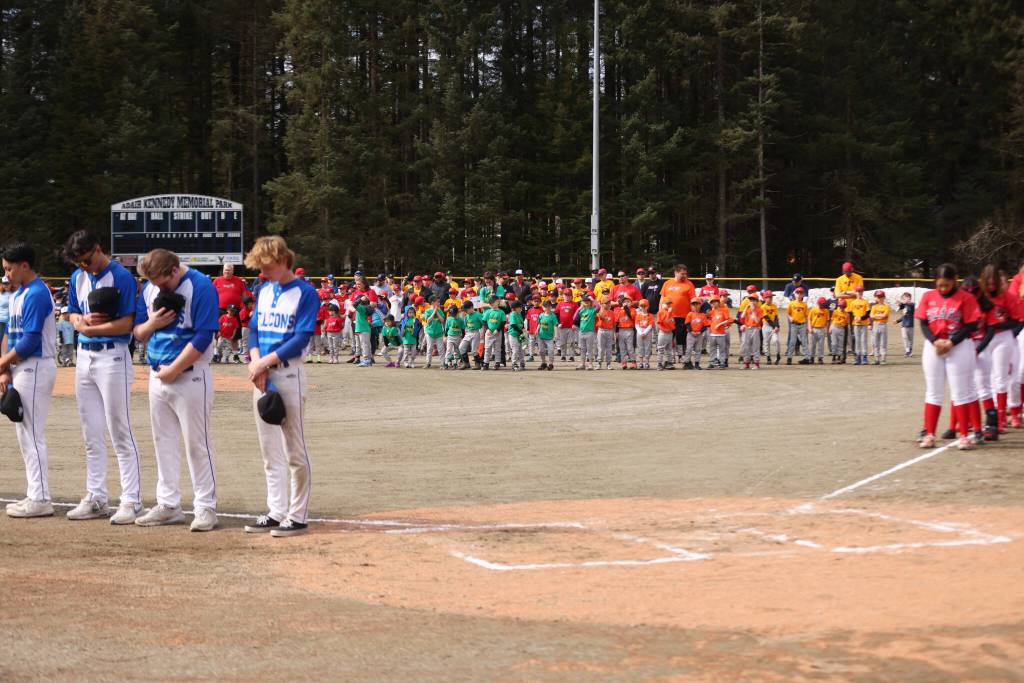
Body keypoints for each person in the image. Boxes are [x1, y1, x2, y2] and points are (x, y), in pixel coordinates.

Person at [130, 249, 219, 532]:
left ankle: (205, 507)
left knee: (197, 443)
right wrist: (153, 323)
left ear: (174, 270)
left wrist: (175, 369)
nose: (157, 287)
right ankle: (168, 505)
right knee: (162, 441)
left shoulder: (201, 286)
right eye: (152, 282)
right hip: (158, 374)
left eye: (161, 281)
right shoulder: (150, 290)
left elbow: (205, 335)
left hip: (190, 375)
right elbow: (139, 333)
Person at [62, 231, 144, 525]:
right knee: (91, 432)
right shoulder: (77, 277)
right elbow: (71, 311)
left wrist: (92, 329)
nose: (84, 267)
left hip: (114, 355)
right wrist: (79, 321)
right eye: (79, 263)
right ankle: (96, 496)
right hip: (85, 357)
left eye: (86, 260)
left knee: (119, 429)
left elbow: (128, 323)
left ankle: (132, 500)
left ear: (98, 249)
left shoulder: (120, 276)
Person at [242, 236, 317, 537]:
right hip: (263, 376)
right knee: (268, 449)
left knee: (293, 449)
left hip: (288, 374)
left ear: (285, 261)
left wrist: (264, 363)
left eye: (269, 267)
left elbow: (300, 338)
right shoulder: (264, 289)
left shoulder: (305, 292)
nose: (264, 273)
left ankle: (297, 515)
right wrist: (256, 362)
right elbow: (253, 329)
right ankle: (276, 510)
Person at [0, 243, 58, 519]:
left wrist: (3, 363)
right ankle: (35, 493)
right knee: (24, 432)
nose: (7, 275)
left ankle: (41, 498)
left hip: (36, 366)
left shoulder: (36, 293)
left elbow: (31, 340)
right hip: (22, 368)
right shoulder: (19, 293)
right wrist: (4, 369)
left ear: (25, 265)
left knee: (32, 434)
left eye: (10, 269)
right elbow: (10, 335)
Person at [916, 264, 982, 450]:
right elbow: (923, 323)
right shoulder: (928, 297)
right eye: (940, 285)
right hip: (934, 346)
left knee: (960, 391)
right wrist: (935, 341)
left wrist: (951, 343)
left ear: (955, 280)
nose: (943, 288)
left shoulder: (966, 297)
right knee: (933, 391)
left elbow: (971, 325)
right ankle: (929, 434)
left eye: (947, 284)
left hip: (959, 346)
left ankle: (963, 436)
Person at [978, 264, 1019, 433]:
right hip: (983, 338)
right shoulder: (979, 297)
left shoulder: (1007, 297)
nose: (991, 286)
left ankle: (1000, 419)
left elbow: (1018, 320)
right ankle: (991, 416)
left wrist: (1001, 323)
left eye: (994, 282)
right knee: (983, 379)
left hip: (1003, 337)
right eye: (988, 283)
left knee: (1000, 378)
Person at [659, 265, 696, 362]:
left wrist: (693, 314)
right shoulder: (667, 283)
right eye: (682, 274)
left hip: (683, 315)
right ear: (676, 272)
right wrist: (660, 311)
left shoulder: (689, 284)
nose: (684, 276)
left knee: (681, 337)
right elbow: (662, 298)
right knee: (669, 337)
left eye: (685, 274)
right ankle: (671, 357)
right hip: (669, 316)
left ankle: (681, 355)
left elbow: (693, 300)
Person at [737, 290, 764, 369]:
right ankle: (746, 363)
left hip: (755, 328)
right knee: (746, 346)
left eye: (754, 300)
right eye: (751, 300)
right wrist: (746, 307)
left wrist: (753, 311)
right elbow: (742, 317)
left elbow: (757, 321)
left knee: (755, 346)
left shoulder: (760, 310)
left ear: (757, 301)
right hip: (747, 328)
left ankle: (756, 364)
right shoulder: (748, 309)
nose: (752, 302)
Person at [848, 286, 871, 365]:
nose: (859, 293)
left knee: (863, 340)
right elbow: (850, 314)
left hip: (864, 324)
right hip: (856, 324)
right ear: (855, 292)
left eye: (861, 292)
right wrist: (855, 318)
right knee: (857, 341)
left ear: (863, 292)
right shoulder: (853, 302)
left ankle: (864, 357)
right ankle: (858, 357)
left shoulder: (865, 302)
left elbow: (868, 314)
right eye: (858, 292)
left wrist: (861, 318)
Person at [574, 295, 598, 370]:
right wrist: (579, 308)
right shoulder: (581, 310)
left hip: (590, 332)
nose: (586, 303)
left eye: (588, 301)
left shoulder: (592, 310)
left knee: (590, 348)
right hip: (582, 332)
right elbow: (574, 318)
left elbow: (599, 307)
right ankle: (582, 364)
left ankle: (590, 364)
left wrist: (593, 300)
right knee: (582, 349)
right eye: (585, 301)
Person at [786, 287, 809, 365]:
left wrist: (807, 326)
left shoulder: (804, 305)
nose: (799, 295)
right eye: (797, 293)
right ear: (794, 294)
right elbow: (788, 314)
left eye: (801, 293)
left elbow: (806, 316)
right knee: (792, 341)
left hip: (802, 325)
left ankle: (807, 358)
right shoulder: (791, 303)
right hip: (794, 325)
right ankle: (789, 357)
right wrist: (790, 318)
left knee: (804, 341)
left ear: (803, 295)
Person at [707, 297, 732, 369]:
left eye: (715, 302)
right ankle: (712, 362)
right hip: (712, 333)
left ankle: (722, 362)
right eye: (712, 302)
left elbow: (729, 320)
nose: (714, 304)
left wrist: (720, 324)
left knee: (722, 349)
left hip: (721, 334)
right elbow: (705, 317)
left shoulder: (722, 311)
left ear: (718, 302)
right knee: (712, 349)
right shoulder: (711, 312)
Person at [555, 289, 579, 363]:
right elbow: (556, 314)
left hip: (571, 327)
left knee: (571, 342)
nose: (567, 297)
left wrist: (575, 324)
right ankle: (563, 355)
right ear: (563, 296)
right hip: (562, 326)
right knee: (563, 342)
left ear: (571, 296)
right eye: (565, 295)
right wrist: (558, 323)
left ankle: (571, 356)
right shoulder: (560, 304)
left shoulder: (574, 304)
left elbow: (578, 315)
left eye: (569, 295)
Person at [422, 298, 445, 369]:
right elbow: (428, 321)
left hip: (439, 332)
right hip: (430, 332)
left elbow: (442, 320)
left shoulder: (440, 310)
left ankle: (443, 363)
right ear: (432, 302)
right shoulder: (428, 311)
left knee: (441, 349)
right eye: (437, 302)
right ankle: (428, 363)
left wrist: (437, 312)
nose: (438, 303)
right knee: (429, 348)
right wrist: (433, 312)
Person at [535, 300, 557, 371]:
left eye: (548, 306)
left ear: (551, 307)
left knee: (551, 350)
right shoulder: (541, 315)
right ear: (543, 307)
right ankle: (543, 363)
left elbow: (555, 326)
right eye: (545, 307)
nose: (547, 308)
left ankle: (551, 364)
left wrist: (556, 335)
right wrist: (537, 330)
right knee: (541, 351)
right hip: (541, 336)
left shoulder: (553, 316)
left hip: (549, 337)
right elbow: (539, 323)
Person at [869, 290, 891, 365]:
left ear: (884, 297)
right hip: (875, 325)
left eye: (881, 297)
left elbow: (884, 316)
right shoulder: (874, 306)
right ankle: (876, 359)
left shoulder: (886, 306)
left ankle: (883, 358)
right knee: (875, 342)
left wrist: (876, 316)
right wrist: (879, 316)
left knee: (883, 342)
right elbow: (871, 316)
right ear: (876, 298)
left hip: (883, 325)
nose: (880, 298)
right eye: (878, 297)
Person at [760, 290, 781, 365]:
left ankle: (778, 355)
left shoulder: (774, 306)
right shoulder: (762, 307)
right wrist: (774, 326)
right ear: (765, 298)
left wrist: (777, 326)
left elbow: (776, 317)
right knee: (766, 343)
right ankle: (768, 358)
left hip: (774, 326)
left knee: (776, 340)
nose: (771, 298)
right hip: (766, 326)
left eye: (771, 297)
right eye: (769, 297)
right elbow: (767, 318)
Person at [595, 299, 616, 370]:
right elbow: (599, 316)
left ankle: (608, 363)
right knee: (601, 348)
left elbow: (613, 324)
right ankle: (599, 363)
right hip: (601, 330)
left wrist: (614, 333)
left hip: (609, 331)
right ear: (603, 304)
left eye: (609, 303)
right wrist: (601, 308)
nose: (608, 304)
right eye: (606, 303)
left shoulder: (612, 313)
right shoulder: (600, 312)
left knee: (609, 348)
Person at [655, 299, 676, 370]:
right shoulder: (661, 312)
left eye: (670, 304)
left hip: (669, 332)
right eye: (667, 304)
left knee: (669, 349)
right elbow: (663, 322)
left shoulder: (670, 312)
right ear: (663, 304)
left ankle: (669, 363)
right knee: (661, 349)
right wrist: (669, 314)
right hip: (663, 332)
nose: (669, 305)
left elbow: (672, 323)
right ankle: (659, 363)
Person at [808, 297, 830, 364]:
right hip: (814, 328)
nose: (822, 305)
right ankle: (811, 357)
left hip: (822, 329)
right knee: (812, 344)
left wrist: (827, 329)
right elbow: (809, 319)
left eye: (823, 304)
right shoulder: (813, 310)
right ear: (818, 303)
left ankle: (820, 357)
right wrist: (809, 328)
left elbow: (827, 321)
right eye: (821, 304)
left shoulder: (826, 311)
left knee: (821, 345)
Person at [634, 299, 654, 370]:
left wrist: (645, 332)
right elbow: (636, 325)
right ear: (639, 306)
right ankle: (640, 362)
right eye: (641, 306)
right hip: (640, 331)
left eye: (645, 306)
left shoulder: (650, 316)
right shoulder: (638, 315)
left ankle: (646, 362)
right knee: (640, 347)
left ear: (648, 306)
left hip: (647, 332)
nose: (643, 307)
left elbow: (650, 325)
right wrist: (640, 332)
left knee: (647, 347)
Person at [443, 304, 464, 370]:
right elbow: (446, 328)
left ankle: (455, 362)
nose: (453, 316)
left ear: (457, 312)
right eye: (452, 314)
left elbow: (462, 329)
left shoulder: (460, 320)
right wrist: (445, 336)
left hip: (458, 337)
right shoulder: (449, 319)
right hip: (450, 336)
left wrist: (463, 336)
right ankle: (446, 363)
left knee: (457, 350)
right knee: (449, 349)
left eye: (454, 314)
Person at [507, 300, 526, 371]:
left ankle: (522, 362)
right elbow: (513, 325)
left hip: (519, 334)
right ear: (515, 308)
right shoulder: (513, 314)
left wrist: (523, 329)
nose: (521, 308)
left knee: (521, 349)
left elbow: (522, 323)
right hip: (513, 335)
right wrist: (521, 331)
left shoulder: (519, 314)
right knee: (515, 349)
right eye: (520, 307)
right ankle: (514, 363)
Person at [895, 291, 916, 357]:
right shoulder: (903, 306)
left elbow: (908, 304)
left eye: (907, 298)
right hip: (904, 325)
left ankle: (910, 350)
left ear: (910, 298)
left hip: (910, 325)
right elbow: (902, 314)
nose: (906, 299)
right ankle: (907, 351)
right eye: (904, 298)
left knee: (910, 339)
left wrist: (901, 302)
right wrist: (897, 321)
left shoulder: (912, 305)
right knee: (904, 338)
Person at [0, 275, 10, 350]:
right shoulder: (0, 294)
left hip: (10, 322)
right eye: (5, 283)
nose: (6, 285)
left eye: (8, 283)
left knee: (8, 343)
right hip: (1, 322)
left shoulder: (14, 293)